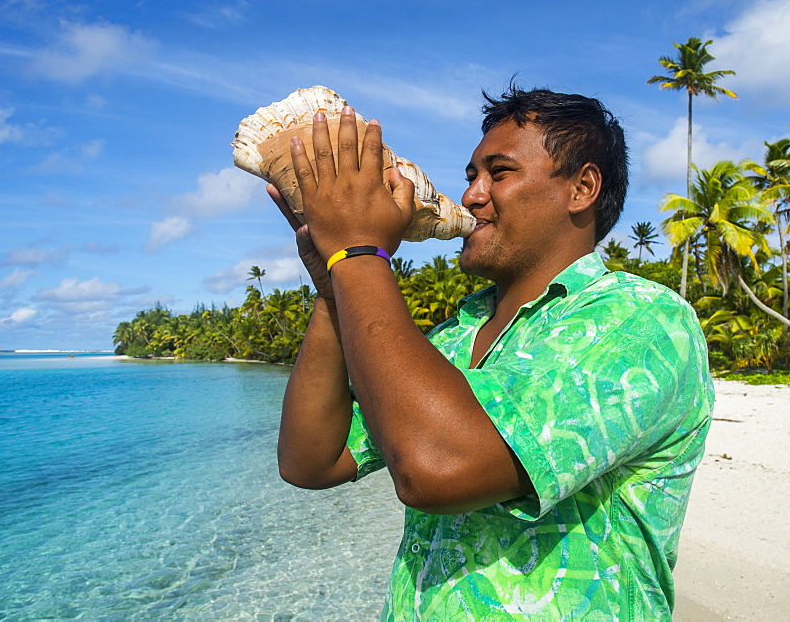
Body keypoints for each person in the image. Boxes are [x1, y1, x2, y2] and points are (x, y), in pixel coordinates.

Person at [270, 83, 713, 620]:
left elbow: (437, 469)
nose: (474, 196)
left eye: (499, 173)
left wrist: (360, 253)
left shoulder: (642, 322)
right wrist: (331, 292)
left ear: (582, 188)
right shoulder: (455, 334)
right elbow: (312, 461)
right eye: (472, 177)